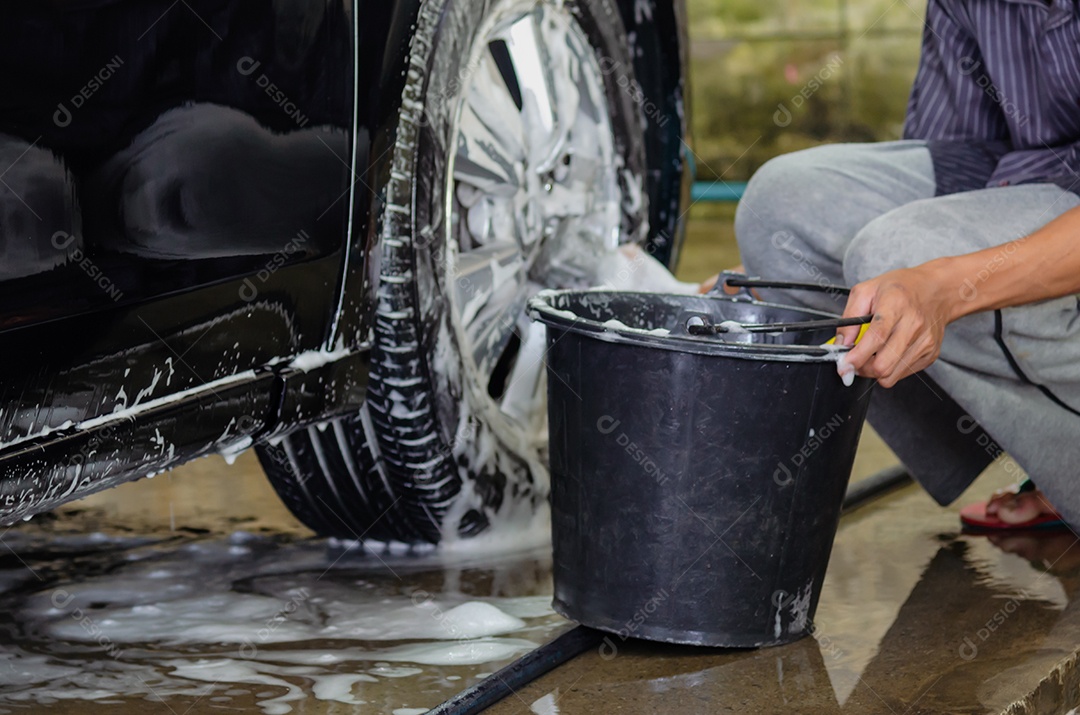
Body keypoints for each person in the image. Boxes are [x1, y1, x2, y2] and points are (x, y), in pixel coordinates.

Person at [725, 0, 1080, 530]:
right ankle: (1037, 455)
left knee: (896, 253)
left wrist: (944, 285)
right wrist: (773, 275)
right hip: (1037, 179)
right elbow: (955, 149)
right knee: (778, 210)